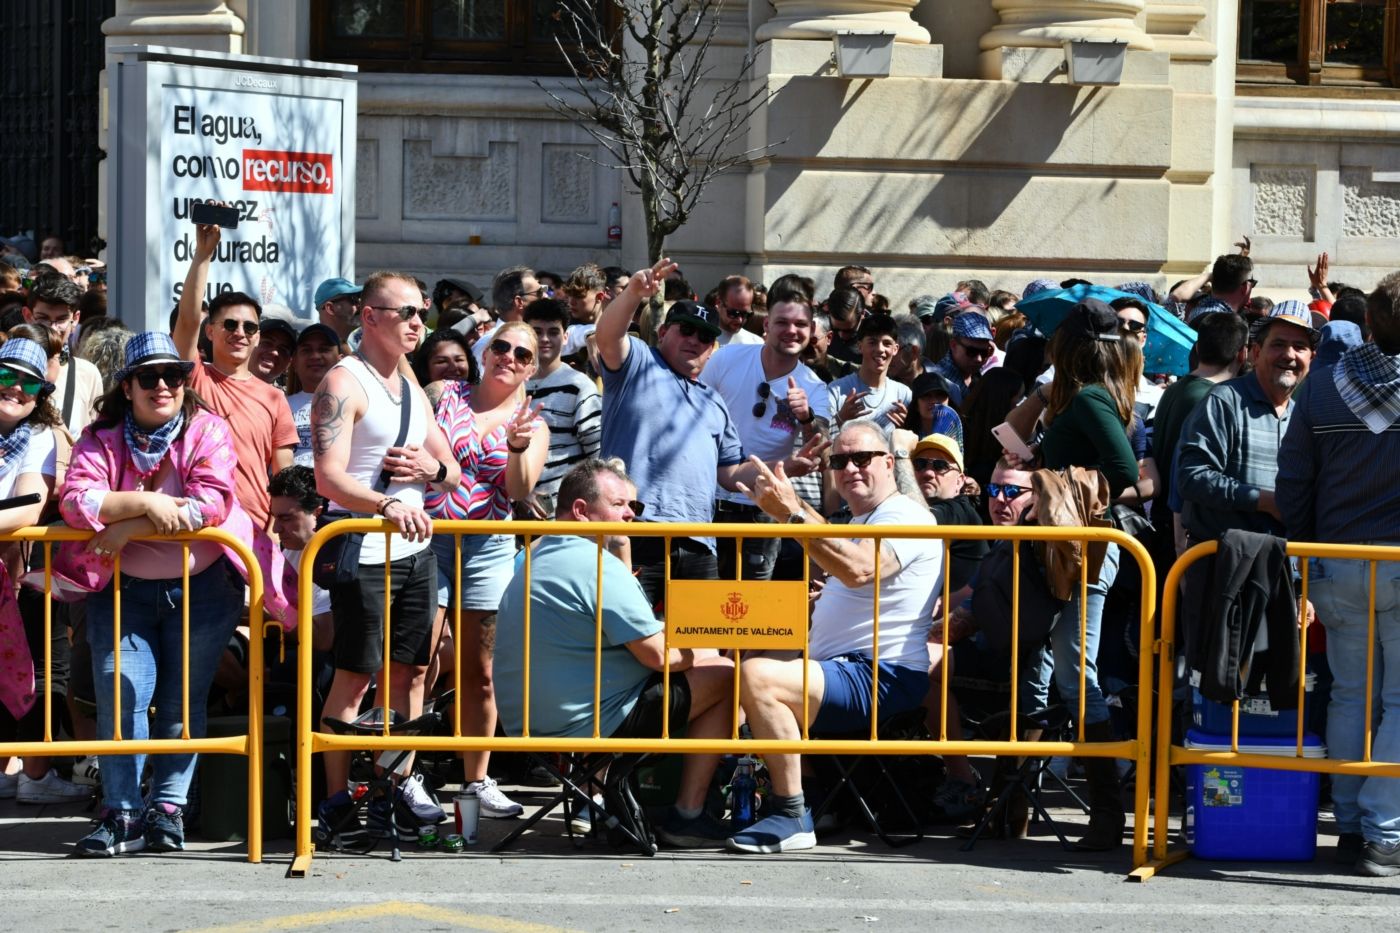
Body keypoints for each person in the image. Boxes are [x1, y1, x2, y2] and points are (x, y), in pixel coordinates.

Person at [59, 333, 253, 855]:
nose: (163, 385)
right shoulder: (99, 437)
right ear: (127, 386)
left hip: (205, 588)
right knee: (121, 695)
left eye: (175, 375)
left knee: (181, 704)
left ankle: (168, 810)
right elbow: (76, 502)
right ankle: (122, 812)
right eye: (149, 377)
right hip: (121, 590)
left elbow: (210, 503)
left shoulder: (208, 429)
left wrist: (124, 525)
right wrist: (150, 503)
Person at [495, 459, 738, 847]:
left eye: (634, 507)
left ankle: (601, 797)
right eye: (621, 505)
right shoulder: (594, 564)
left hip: (527, 717)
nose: (631, 515)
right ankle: (688, 815)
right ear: (581, 511)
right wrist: (702, 646)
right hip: (583, 719)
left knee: (699, 661)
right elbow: (658, 656)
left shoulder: (533, 555)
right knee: (727, 673)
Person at [726, 421, 941, 852]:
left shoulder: (904, 514)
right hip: (848, 668)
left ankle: (791, 813)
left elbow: (861, 570)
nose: (850, 469)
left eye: (861, 458)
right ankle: (706, 803)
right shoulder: (864, 518)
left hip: (880, 674)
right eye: (839, 461)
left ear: (887, 462)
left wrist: (792, 512)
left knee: (758, 676)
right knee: (733, 667)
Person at [311, 271, 461, 844]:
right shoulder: (343, 382)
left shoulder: (407, 380)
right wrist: (387, 504)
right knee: (354, 676)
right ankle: (337, 801)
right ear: (369, 317)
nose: (419, 324)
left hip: (418, 551)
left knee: (415, 671)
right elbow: (329, 478)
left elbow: (450, 469)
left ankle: (392, 786)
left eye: (422, 314)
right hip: (366, 551)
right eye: (407, 314)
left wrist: (432, 473)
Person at [595, 261, 825, 609]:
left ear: (712, 348)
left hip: (699, 543)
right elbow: (608, 336)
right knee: (627, 648)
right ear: (663, 332)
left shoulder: (713, 401)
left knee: (698, 652)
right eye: (685, 330)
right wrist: (631, 295)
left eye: (705, 336)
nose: (695, 341)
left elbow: (730, 473)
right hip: (635, 531)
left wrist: (786, 467)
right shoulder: (638, 364)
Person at [1002, 298, 1140, 850]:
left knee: (1077, 679)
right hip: (1066, 554)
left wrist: (1072, 488)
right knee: (1060, 675)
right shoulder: (1076, 399)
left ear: (1070, 347)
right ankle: (1028, 808)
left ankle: (1107, 817)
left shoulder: (1089, 400)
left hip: (1083, 555)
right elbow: (1007, 438)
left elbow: (1126, 469)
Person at [1277, 272, 1400, 877]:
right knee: (1398, 700)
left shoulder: (1321, 390)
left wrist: (1305, 555)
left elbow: (1293, 482)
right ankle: (1383, 832)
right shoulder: (1322, 390)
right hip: (1395, 563)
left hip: (1336, 560)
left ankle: (1352, 826)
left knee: (1351, 694)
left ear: (1368, 324)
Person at [425, 320, 548, 819]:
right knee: (416, 664)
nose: (509, 358)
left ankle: (476, 780)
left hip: (489, 545)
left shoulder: (532, 422)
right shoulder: (442, 392)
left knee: (480, 672)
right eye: (502, 346)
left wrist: (516, 447)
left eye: (522, 354)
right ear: (485, 348)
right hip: (425, 538)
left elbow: (518, 493)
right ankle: (406, 774)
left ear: (532, 367)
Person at [172, 219, 298, 531]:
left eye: (250, 327)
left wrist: (275, 530)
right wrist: (203, 254)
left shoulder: (274, 397)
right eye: (230, 325)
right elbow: (187, 321)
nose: (240, 333)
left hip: (255, 534)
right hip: (199, 530)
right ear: (210, 331)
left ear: (257, 337)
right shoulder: (194, 378)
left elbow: (283, 473)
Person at [0, 337, 83, 805]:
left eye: (28, 383)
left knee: (30, 672)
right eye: (6, 376)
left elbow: (29, 507)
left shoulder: (38, 438)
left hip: (20, 575)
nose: (16, 389)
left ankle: (33, 772)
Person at [702, 295, 830, 581]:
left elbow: (822, 454)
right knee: (702, 605)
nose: (791, 330)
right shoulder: (725, 358)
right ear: (767, 325)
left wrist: (806, 417)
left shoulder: (814, 386)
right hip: (705, 501)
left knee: (750, 607)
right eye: (782, 322)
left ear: (810, 331)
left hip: (762, 509)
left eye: (800, 324)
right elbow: (692, 414)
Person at [1176, 300, 1316, 546]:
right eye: (1279, 344)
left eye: (1299, 346)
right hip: (1224, 566)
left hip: (1281, 566)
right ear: (1257, 352)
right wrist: (1264, 501)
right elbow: (1191, 477)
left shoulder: (1302, 416)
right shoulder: (1225, 401)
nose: (1289, 355)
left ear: (1311, 359)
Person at [523, 298, 602, 517]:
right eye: (537, 331)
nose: (545, 339)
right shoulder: (510, 382)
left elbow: (597, 455)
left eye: (553, 332)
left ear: (565, 337)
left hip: (564, 515)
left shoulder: (580, 386)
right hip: (512, 511)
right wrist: (519, 494)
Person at [25, 273, 103, 436]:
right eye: (43, 318)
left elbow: (96, 439)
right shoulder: (6, 367)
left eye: (61, 320)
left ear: (75, 319)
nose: (52, 328)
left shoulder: (87, 373)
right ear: (28, 316)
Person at [911, 432, 987, 591]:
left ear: (960, 481)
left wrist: (900, 454)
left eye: (940, 466)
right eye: (919, 464)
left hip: (952, 614)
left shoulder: (961, 511)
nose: (928, 473)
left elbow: (916, 519)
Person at [827, 314, 912, 436]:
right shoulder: (836, 390)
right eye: (872, 342)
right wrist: (840, 419)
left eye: (887, 343)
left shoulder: (904, 395)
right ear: (859, 346)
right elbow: (819, 439)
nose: (880, 349)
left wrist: (905, 430)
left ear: (895, 349)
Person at [285, 323, 343, 468]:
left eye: (324, 349)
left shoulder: (358, 403)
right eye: (306, 350)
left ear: (340, 360)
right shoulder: (279, 405)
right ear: (295, 363)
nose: (315, 356)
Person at [932, 311, 995, 407]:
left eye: (984, 352)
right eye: (972, 351)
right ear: (953, 345)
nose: (978, 359)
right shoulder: (939, 382)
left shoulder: (977, 376)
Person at [413, 329, 478, 387]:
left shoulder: (482, 396)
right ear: (425, 369)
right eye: (442, 361)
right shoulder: (415, 398)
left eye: (459, 360)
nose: (453, 368)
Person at [714, 275, 762, 347]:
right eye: (734, 313)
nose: (740, 320)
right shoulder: (702, 340)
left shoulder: (755, 343)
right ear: (718, 303)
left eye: (746, 314)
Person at [314, 277, 361, 344]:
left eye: (359, 298)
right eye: (353, 299)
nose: (360, 305)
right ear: (330, 308)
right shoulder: (314, 347)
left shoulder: (364, 343)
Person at [252, 316, 297, 386]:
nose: (275, 352)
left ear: (289, 363)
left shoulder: (281, 396)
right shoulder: (228, 388)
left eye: (283, 350)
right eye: (267, 343)